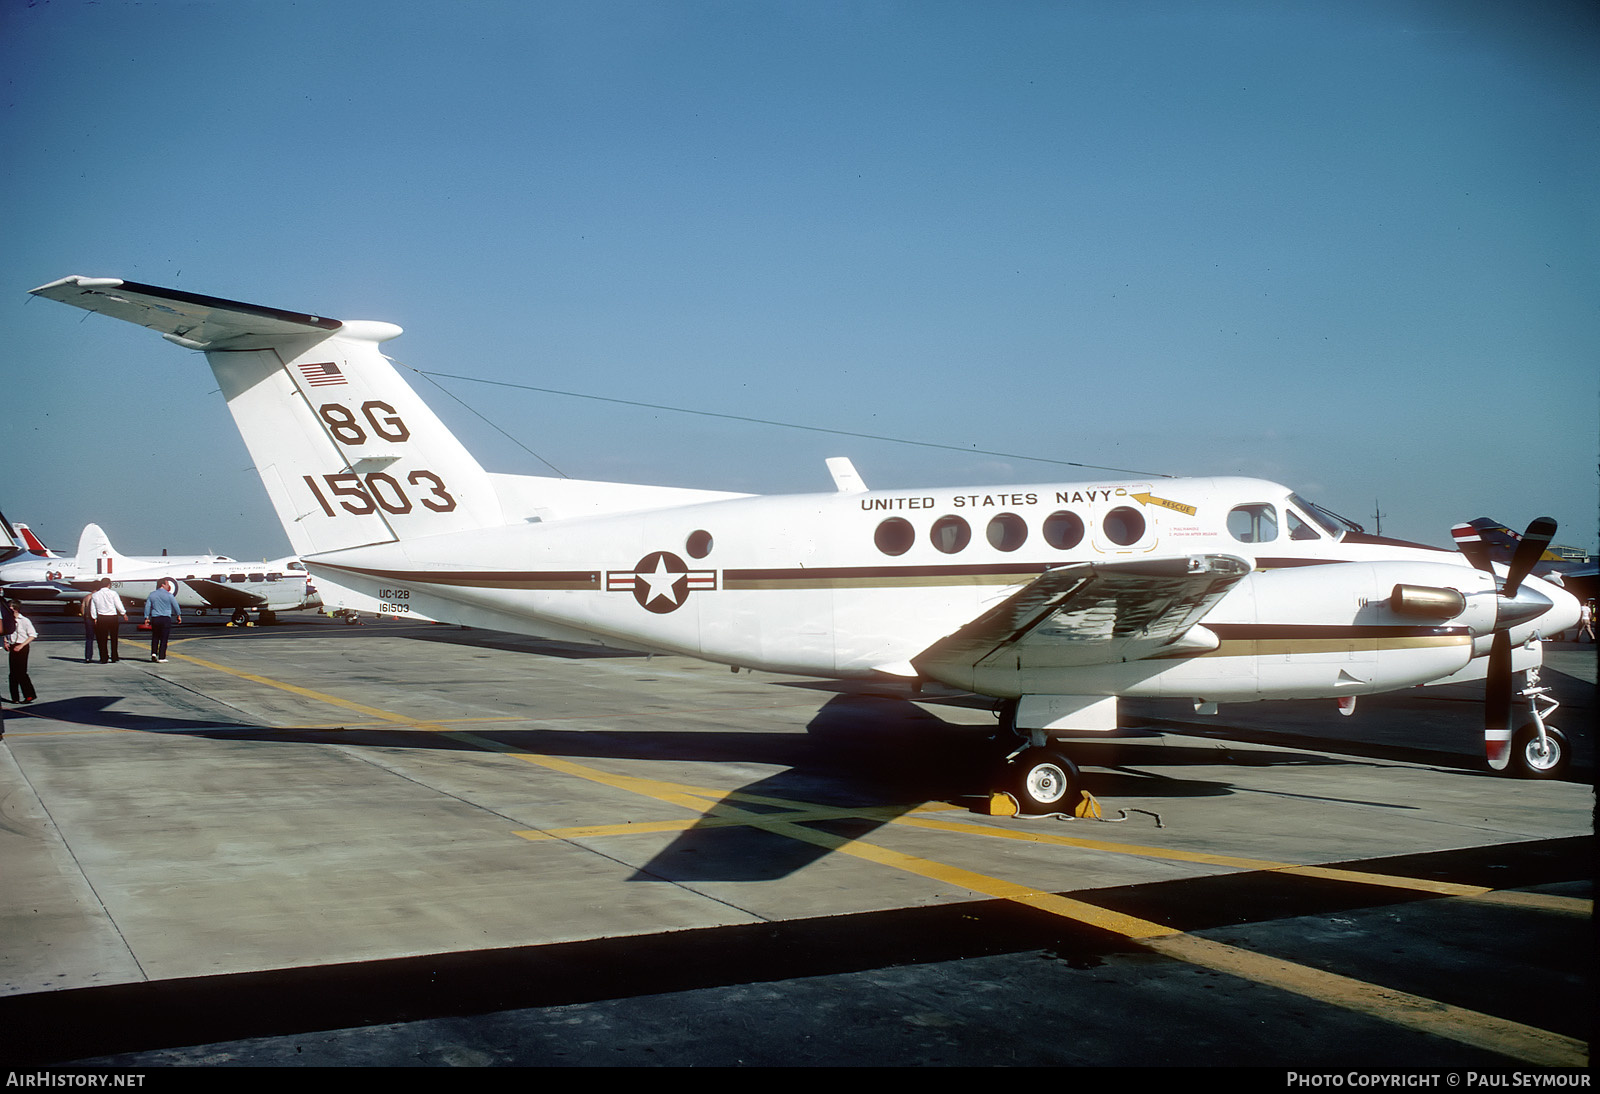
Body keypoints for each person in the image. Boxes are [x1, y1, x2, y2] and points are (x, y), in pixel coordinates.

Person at [87, 578, 127, 663]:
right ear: (109, 584)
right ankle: (114, 656)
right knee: (114, 637)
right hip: (112, 617)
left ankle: (103, 657)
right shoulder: (113, 593)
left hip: (102, 618)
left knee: (102, 639)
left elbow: (93, 608)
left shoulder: (95, 595)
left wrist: (94, 618)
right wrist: (123, 613)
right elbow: (118, 604)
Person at [5, 600, 37, 703]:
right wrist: (6, 642)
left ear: (16, 609)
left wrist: (21, 645)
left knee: (21, 672)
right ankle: (15, 697)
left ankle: (29, 695)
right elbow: (5, 632)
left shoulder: (24, 620)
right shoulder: (8, 620)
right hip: (13, 646)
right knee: (13, 673)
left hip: (22, 646)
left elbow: (32, 635)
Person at [144, 578, 182, 662]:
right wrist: (178, 615)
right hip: (165, 618)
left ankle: (153, 653)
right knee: (164, 638)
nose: (168, 586)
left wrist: (146, 617)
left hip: (155, 618)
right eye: (167, 584)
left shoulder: (152, 594)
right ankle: (162, 657)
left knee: (155, 636)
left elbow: (147, 606)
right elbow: (175, 606)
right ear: (162, 585)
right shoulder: (169, 595)